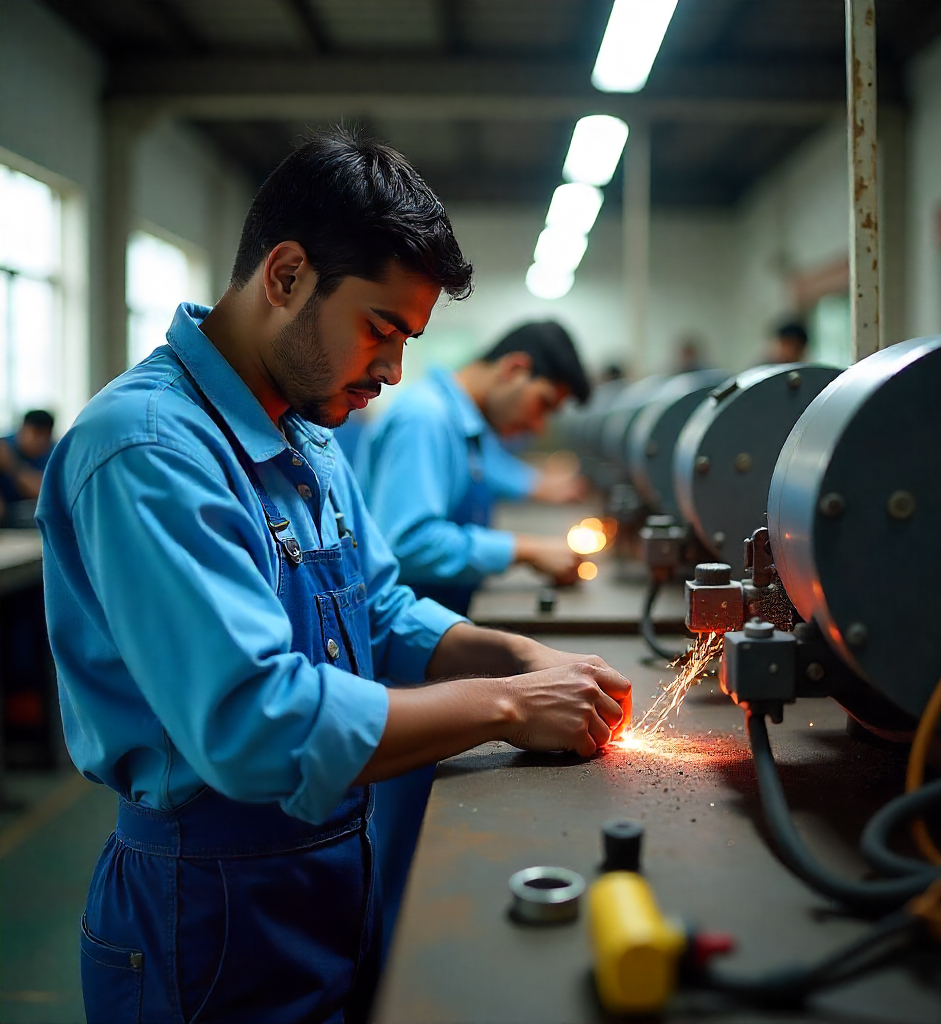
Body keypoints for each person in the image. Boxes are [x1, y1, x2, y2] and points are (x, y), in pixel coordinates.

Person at [36, 130, 631, 1024]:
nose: (392, 372)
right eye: (380, 329)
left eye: (408, 340)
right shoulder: (149, 451)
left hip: (330, 867)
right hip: (205, 910)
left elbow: (379, 610)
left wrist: (512, 654)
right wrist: (506, 706)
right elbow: (254, 722)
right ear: (285, 276)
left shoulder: (308, 438)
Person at [355, 321, 591, 618]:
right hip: (401, 622)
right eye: (543, 404)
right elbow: (407, 543)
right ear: (514, 369)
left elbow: (495, 474)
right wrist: (522, 549)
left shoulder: (462, 423)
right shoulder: (425, 418)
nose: (537, 426)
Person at [0, 409, 55, 526]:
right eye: (35, 434)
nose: (39, 441)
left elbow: (42, 493)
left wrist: (13, 466)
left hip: (31, 517)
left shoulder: (53, 454)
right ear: (22, 430)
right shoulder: (5, 445)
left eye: (44, 436)